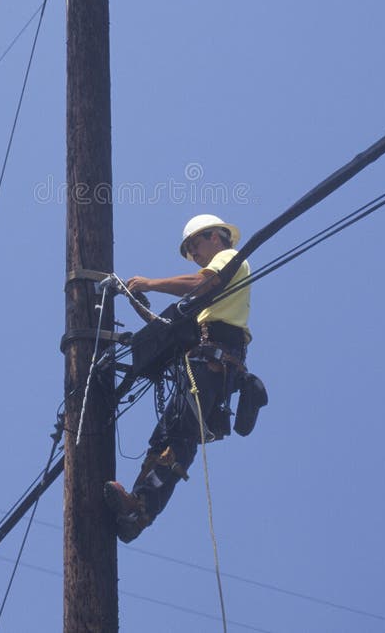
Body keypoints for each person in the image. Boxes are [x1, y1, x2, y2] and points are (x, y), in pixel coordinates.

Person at [104, 214, 261, 543]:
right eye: (189, 249)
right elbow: (173, 320)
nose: (194, 254)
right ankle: (138, 509)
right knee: (167, 435)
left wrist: (149, 284)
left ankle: (140, 510)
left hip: (215, 360)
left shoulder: (229, 258)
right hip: (207, 360)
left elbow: (201, 283)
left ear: (216, 237)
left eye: (195, 245)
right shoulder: (209, 300)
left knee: (178, 434)